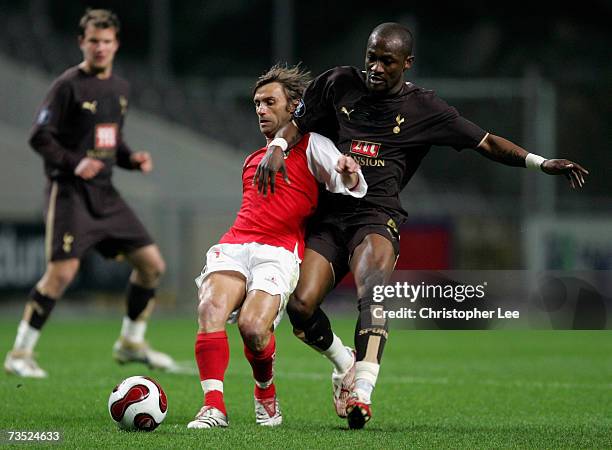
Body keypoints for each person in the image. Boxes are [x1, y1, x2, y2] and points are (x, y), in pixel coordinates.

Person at [253, 22, 589, 429]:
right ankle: (344, 364)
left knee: (373, 294)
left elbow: (486, 142)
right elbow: (297, 124)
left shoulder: (425, 109)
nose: (376, 67)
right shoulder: (338, 83)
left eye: (387, 61)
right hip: (328, 218)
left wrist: (540, 162)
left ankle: (362, 393)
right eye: (371, 58)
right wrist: (276, 147)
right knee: (301, 307)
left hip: (377, 217)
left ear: (407, 63)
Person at [187, 64, 366, 430]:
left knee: (254, 329)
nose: (261, 110)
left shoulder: (312, 144)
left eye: (270, 102)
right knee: (209, 307)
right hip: (236, 244)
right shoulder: (254, 159)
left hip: (278, 251)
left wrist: (347, 170)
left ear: (294, 107)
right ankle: (213, 407)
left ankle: (264, 393)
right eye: (256, 104)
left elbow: (344, 177)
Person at [3, 9, 176, 378]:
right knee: (61, 274)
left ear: (116, 44)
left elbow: (109, 140)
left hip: (106, 194)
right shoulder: (67, 85)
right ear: (82, 42)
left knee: (151, 266)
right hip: (70, 192)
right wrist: (74, 163)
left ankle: (131, 342)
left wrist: (131, 159)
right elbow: (39, 135)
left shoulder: (120, 89)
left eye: (107, 41)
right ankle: (20, 353)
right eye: (93, 41)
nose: (100, 47)